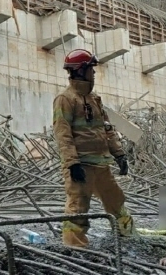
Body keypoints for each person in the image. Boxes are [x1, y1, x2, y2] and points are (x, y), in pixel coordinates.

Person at [52, 49, 135, 248]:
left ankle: (129, 235)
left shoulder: (94, 99)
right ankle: (75, 246)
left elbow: (106, 129)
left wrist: (119, 154)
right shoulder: (65, 99)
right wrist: (72, 163)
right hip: (81, 164)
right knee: (78, 206)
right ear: (81, 71)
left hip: (100, 163)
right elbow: (63, 134)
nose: (94, 73)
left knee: (115, 199)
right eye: (91, 69)